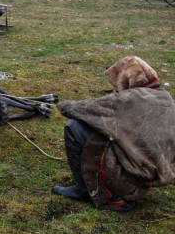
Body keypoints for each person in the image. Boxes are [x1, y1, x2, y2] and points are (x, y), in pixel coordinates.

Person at [52, 56, 175, 211]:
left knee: (75, 127)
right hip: (149, 178)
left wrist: (62, 105)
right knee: (107, 131)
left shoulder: (129, 99)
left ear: (125, 79)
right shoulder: (166, 98)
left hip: (127, 179)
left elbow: (84, 110)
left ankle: (85, 191)